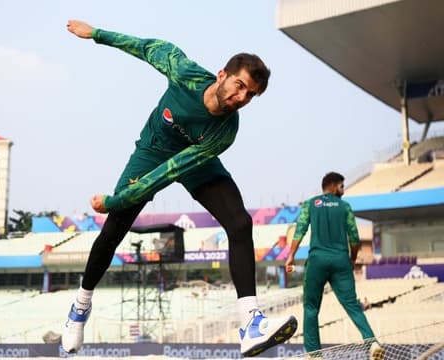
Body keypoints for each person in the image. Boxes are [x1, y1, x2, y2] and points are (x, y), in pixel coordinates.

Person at [63, 19, 297, 357]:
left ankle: (250, 324)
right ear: (222, 74)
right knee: (115, 227)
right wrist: (97, 35)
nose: (241, 97)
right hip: (153, 150)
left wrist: (116, 197)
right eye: (239, 85)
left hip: (192, 159)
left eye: (250, 95)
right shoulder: (183, 69)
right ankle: (80, 308)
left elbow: (172, 172)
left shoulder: (225, 131)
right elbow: (142, 47)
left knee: (240, 223)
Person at [285, 172, 383, 359]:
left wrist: (291, 256)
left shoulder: (311, 204)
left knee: (311, 308)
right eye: (341, 186)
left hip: (317, 260)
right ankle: (372, 343)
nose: (343, 190)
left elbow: (300, 229)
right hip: (340, 261)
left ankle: (315, 354)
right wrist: (352, 260)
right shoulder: (344, 207)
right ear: (331, 185)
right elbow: (354, 237)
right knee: (353, 305)